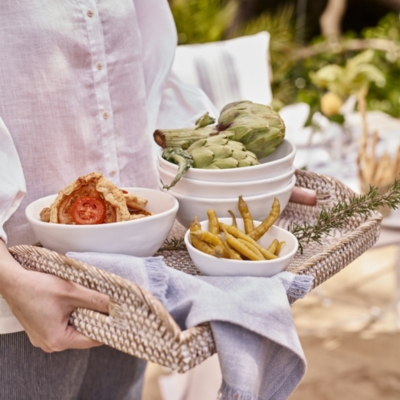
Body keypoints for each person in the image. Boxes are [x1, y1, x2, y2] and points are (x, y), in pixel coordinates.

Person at [0, 1, 216, 399]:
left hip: (129, 276)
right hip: (23, 290)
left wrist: (229, 173)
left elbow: (151, 72)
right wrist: (8, 278)